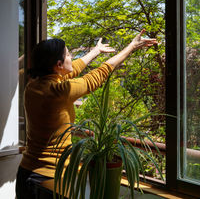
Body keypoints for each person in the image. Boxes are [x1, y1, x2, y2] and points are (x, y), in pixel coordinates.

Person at [16, 29, 157, 199]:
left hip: (26, 172)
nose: (72, 58)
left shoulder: (34, 85)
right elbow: (99, 74)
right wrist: (131, 47)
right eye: (68, 55)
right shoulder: (59, 91)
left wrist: (96, 51)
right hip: (47, 179)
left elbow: (72, 69)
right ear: (58, 65)